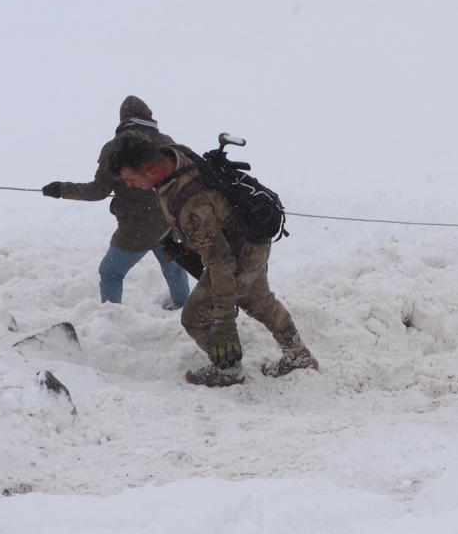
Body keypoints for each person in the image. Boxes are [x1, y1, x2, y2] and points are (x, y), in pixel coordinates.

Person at [111, 132, 318, 387]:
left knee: (194, 316)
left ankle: (228, 369)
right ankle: (298, 354)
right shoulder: (175, 153)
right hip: (250, 241)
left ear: (152, 170)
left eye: (131, 180)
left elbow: (221, 264)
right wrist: (188, 244)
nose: (130, 186)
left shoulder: (190, 206)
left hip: (238, 255)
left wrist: (224, 322)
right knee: (260, 300)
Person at [43, 96, 190, 309]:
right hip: (167, 223)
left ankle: (113, 317)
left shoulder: (115, 148)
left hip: (134, 229)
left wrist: (61, 189)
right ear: (148, 116)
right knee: (175, 267)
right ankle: (182, 306)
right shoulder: (167, 142)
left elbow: (97, 191)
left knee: (110, 273)